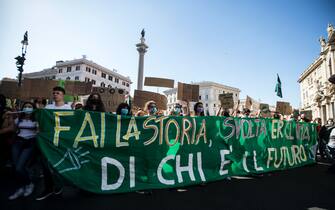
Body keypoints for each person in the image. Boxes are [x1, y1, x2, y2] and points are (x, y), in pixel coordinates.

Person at [36, 86, 72, 201]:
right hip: (48, 141)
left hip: (61, 141)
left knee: (58, 164)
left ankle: (59, 184)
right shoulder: (48, 107)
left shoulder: (68, 108)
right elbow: (42, 121)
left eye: (58, 93)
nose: (55, 95)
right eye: (54, 93)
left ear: (63, 95)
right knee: (46, 164)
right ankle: (48, 187)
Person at [8, 102, 37, 200]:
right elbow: (14, 130)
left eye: (29, 107)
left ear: (33, 109)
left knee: (19, 168)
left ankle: (29, 184)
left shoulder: (36, 120)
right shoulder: (18, 119)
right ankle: (21, 188)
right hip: (17, 143)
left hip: (30, 144)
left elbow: (39, 132)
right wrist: (11, 117)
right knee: (16, 167)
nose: (27, 108)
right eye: (25, 106)